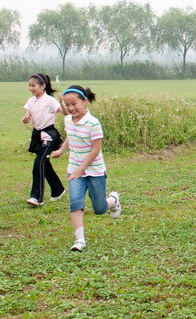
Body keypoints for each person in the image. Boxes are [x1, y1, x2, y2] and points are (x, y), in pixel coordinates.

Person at [50, 85, 122, 252]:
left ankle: (113, 200)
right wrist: (61, 150)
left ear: (85, 101)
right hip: (75, 169)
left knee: (99, 209)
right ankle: (79, 241)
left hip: (94, 170)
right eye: (67, 104)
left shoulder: (93, 123)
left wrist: (81, 169)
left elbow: (95, 150)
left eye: (74, 103)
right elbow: (70, 135)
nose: (70, 108)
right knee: (75, 202)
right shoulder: (68, 120)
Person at [21, 73, 66, 206]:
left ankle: (36, 197)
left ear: (43, 86)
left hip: (48, 135)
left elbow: (65, 112)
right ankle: (58, 190)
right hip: (37, 135)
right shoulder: (31, 101)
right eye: (29, 85)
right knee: (45, 164)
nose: (31, 88)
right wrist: (26, 119)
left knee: (38, 164)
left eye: (33, 85)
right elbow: (27, 114)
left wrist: (62, 102)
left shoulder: (50, 100)